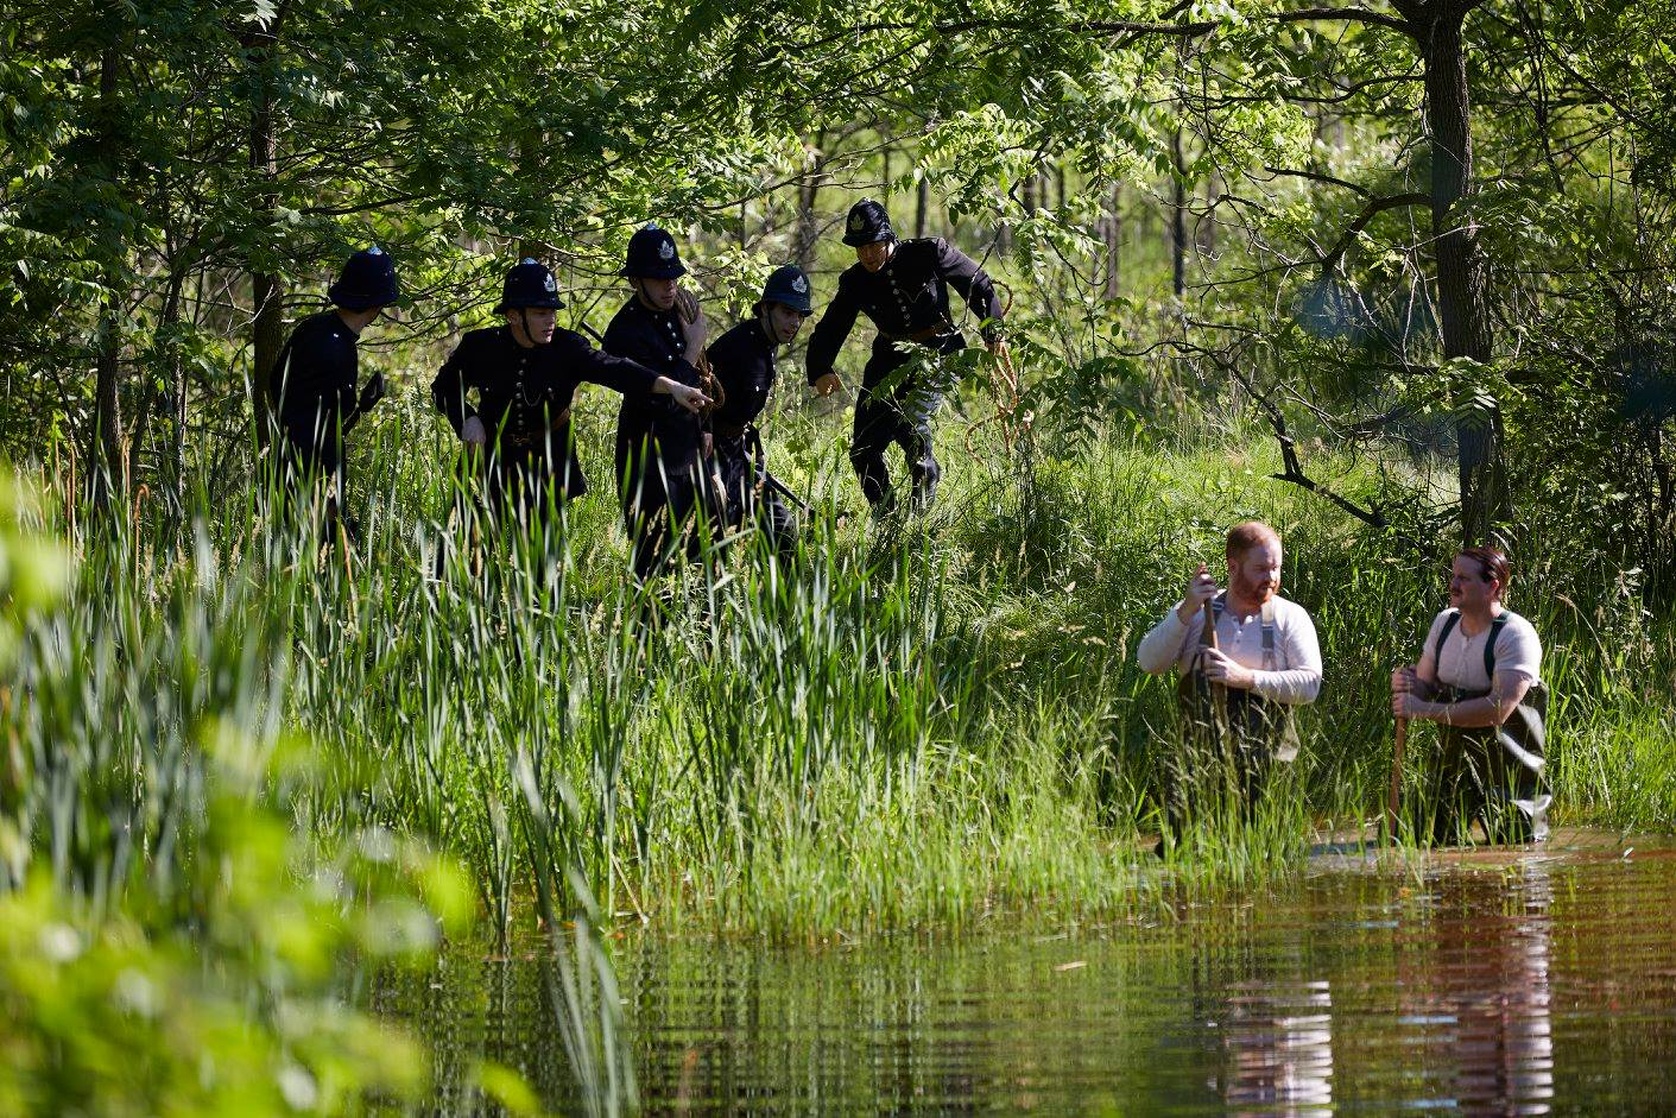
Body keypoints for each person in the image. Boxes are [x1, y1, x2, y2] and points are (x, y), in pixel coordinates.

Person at [430, 258, 709, 537]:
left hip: (546, 467)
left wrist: (671, 386)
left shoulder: (568, 347)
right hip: (490, 460)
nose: (550, 320)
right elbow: (443, 388)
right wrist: (468, 419)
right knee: (465, 555)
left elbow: (616, 369)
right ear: (514, 315)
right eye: (540, 313)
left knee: (541, 568)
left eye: (553, 312)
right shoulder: (480, 346)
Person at [805, 197, 1006, 513]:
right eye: (860, 247)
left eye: (873, 244)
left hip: (940, 352)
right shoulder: (855, 281)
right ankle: (888, 521)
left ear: (887, 236)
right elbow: (832, 326)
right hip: (888, 357)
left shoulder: (928, 253)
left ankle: (924, 491)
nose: (868, 254)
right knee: (863, 450)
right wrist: (820, 368)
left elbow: (978, 282)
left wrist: (992, 331)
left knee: (908, 420)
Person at [1137, 522, 1323, 847]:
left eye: (1276, 567)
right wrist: (1186, 609)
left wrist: (1245, 678)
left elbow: (1310, 685)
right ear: (1233, 567)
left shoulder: (1290, 618)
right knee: (1181, 868)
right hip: (1197, 774)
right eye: (1261, 568)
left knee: (1259, 866)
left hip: (1267, 774)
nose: (1271, 577)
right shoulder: (1198, 615)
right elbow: (1149, 662)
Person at [1391, 546, 1548, 845]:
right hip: (1452, 762)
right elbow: (1426, 685)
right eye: (1453, 576)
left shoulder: (1516, 635)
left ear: (1493, 586)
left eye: (1464, 578)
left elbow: (1497, 710)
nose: (1453, 584)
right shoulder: (1445, 622)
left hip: (1509, 767)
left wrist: (1422, 708)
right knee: (1420, 840)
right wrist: (1410, 685)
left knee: (1520, 848)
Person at [604, 225, 716, 579]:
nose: (670, 285)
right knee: (654, 563)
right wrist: (693, 346)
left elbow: (703, 377)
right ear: (637, 281)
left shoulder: (679, 312)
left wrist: (706, 428)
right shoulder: (625, 331)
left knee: (701, 559)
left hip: (688, 452)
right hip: (648, 458)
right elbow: (663, 397)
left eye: (673, 277)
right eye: (658, 278)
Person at [268, 246, 397, 529]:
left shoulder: (313, 327)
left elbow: (276, 385)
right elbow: (331, 420)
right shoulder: (339, 348)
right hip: (311, 473)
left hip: (283, 461)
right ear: (376, 306)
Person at [703, 264, 814, 559]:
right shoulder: (738, 346)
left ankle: (784, 600)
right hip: (710, 452)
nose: (794, 323)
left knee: (782, 531)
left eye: (800, 316)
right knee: (718, 540)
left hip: (737, 451)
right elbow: (699, 399)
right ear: (766, 309)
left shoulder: (768, 342)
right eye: (787, 313)